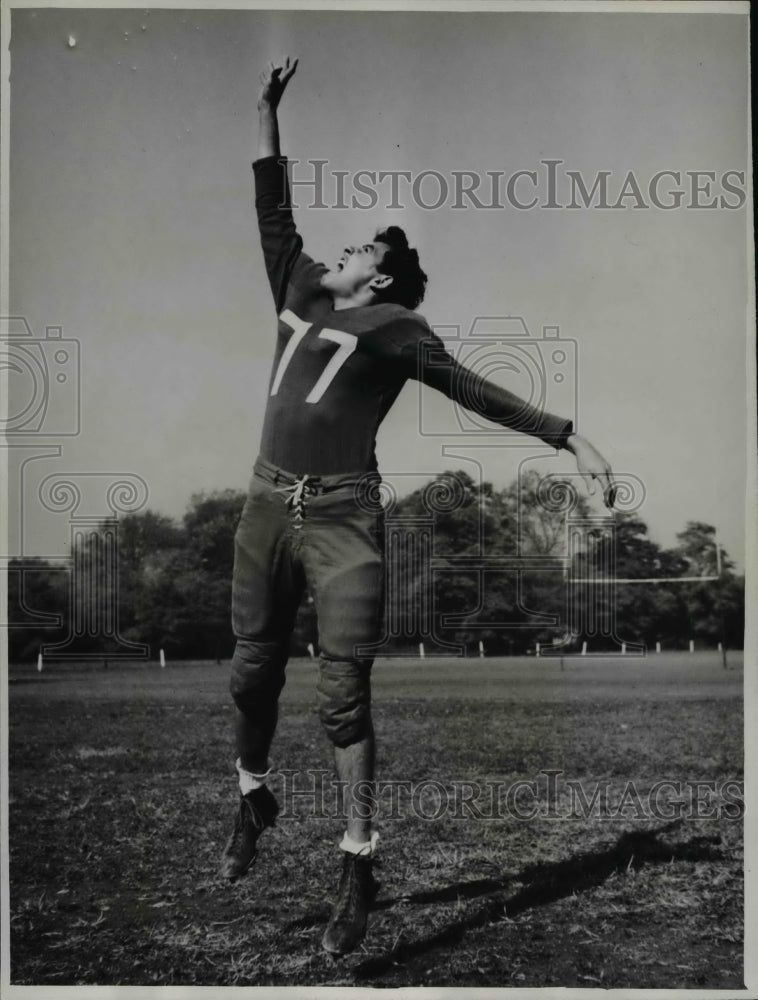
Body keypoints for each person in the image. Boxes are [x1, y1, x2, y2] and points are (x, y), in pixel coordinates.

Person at [220, 56, 615, 956]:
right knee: (251, 674)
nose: (349, 247)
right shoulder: (297, 287)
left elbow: (477, 392)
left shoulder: (400, 332)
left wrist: (570, 438)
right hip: (265, 507)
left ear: (385, 280)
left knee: (343, 695)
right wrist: (263, 108)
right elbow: (269, 199)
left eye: (366, 248)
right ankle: (253, 791)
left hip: (347, 516)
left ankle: (357, 862)